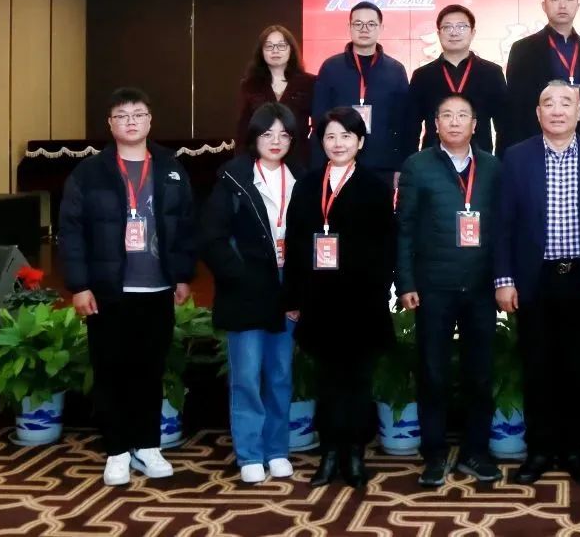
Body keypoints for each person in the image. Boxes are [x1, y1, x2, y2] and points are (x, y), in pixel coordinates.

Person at [58, 87, 195, 487]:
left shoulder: (170, 167)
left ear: (150, 120)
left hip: (157, 289)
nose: (131, 122)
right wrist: (79, 285)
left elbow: (186, 225)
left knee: (150, 370)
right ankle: (117, 450)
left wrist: (182, 274)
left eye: (138, 114)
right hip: (108, 291)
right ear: (110, 124)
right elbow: (71, 232)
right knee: (111, 371)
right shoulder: (89, 173)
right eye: (122, 115)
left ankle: (147, 445)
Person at [494, 81, 580, 486]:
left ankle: (573, 451)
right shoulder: (516, 157)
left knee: (578, 367)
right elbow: (503, 224)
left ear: (579, 112)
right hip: (534, 279)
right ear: (537, 113)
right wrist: (504, 279)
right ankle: (538, 450)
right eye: (548, 103)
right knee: (537, 367)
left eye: (566, 103)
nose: (557, 110)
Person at [282, 107, 396, 488]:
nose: (338, 143)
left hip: (362, 301)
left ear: (360, 142)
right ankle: (330, 453)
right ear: (322, 142)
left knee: (358, 380)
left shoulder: (375, 187)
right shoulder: (307, 185)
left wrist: (380, 290)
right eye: (330, 136)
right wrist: (293, 296)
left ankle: (355, 454)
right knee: (327, 380)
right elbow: (296, 243)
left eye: (346, 136)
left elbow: (387, 245)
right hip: (320, 301)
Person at [397, 94, 503, 487]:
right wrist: (405, 282)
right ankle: (435, 454)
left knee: (480, 372)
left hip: (480, 286)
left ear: (476, 125)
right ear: (435, 124)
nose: (455, 122)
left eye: (463, 115)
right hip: (433, 286)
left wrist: (503, 280)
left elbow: (503, 229)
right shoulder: (417, 165)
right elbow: (405, 228)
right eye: (447, 115)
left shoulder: (493, 167)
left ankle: (476, 451)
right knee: (433, 372)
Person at [200, 102, 304, 484]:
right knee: (246, 374)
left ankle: (276, 450)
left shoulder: (302, 178)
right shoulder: (233, 178)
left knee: (280, 374)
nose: (275, 141)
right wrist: (239, 276)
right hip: (245, 286)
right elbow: (211, 238)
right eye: (267, 134)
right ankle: (249, 453)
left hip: (286, 285)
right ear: (254, 137)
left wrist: (299, 290)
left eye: (284, 135)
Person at [311, 1, 410, 186]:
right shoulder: (331, 67)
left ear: (381, 28)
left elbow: (404, 122)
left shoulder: (396, 70)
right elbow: (319, 118)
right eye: (358, 24)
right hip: (338, 161)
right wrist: (319, 164)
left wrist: (400, 165)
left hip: (382, 165)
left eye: (371, 24)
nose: (364, 29)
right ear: (349, 27)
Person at [502, 0, 580, 152]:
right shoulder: (523, 49)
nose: (562, 5)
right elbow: (516, 107)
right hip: (536, 144)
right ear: (544, 6)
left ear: (577, 6)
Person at [405, 4, 508, 155]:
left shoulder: (492, 73)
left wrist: (499, 162)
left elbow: (504, 125)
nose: (454, 32)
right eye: (447, 27)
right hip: (432, 160)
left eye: (461, 27)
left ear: (472, 33)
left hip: (479, 159)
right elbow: (411, 127)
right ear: (439, 33)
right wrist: (411, 163)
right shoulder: (422, 75)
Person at [236, 25, 315, 164]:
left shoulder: (309, 82)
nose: (275, 50)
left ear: (291, 49)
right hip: (260, 159)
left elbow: (319, 123)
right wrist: (240, 164)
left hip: (298, 158)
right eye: (269, 46)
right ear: (261, 52)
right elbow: (243, 130)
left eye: (281, 45)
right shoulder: (250, 85)